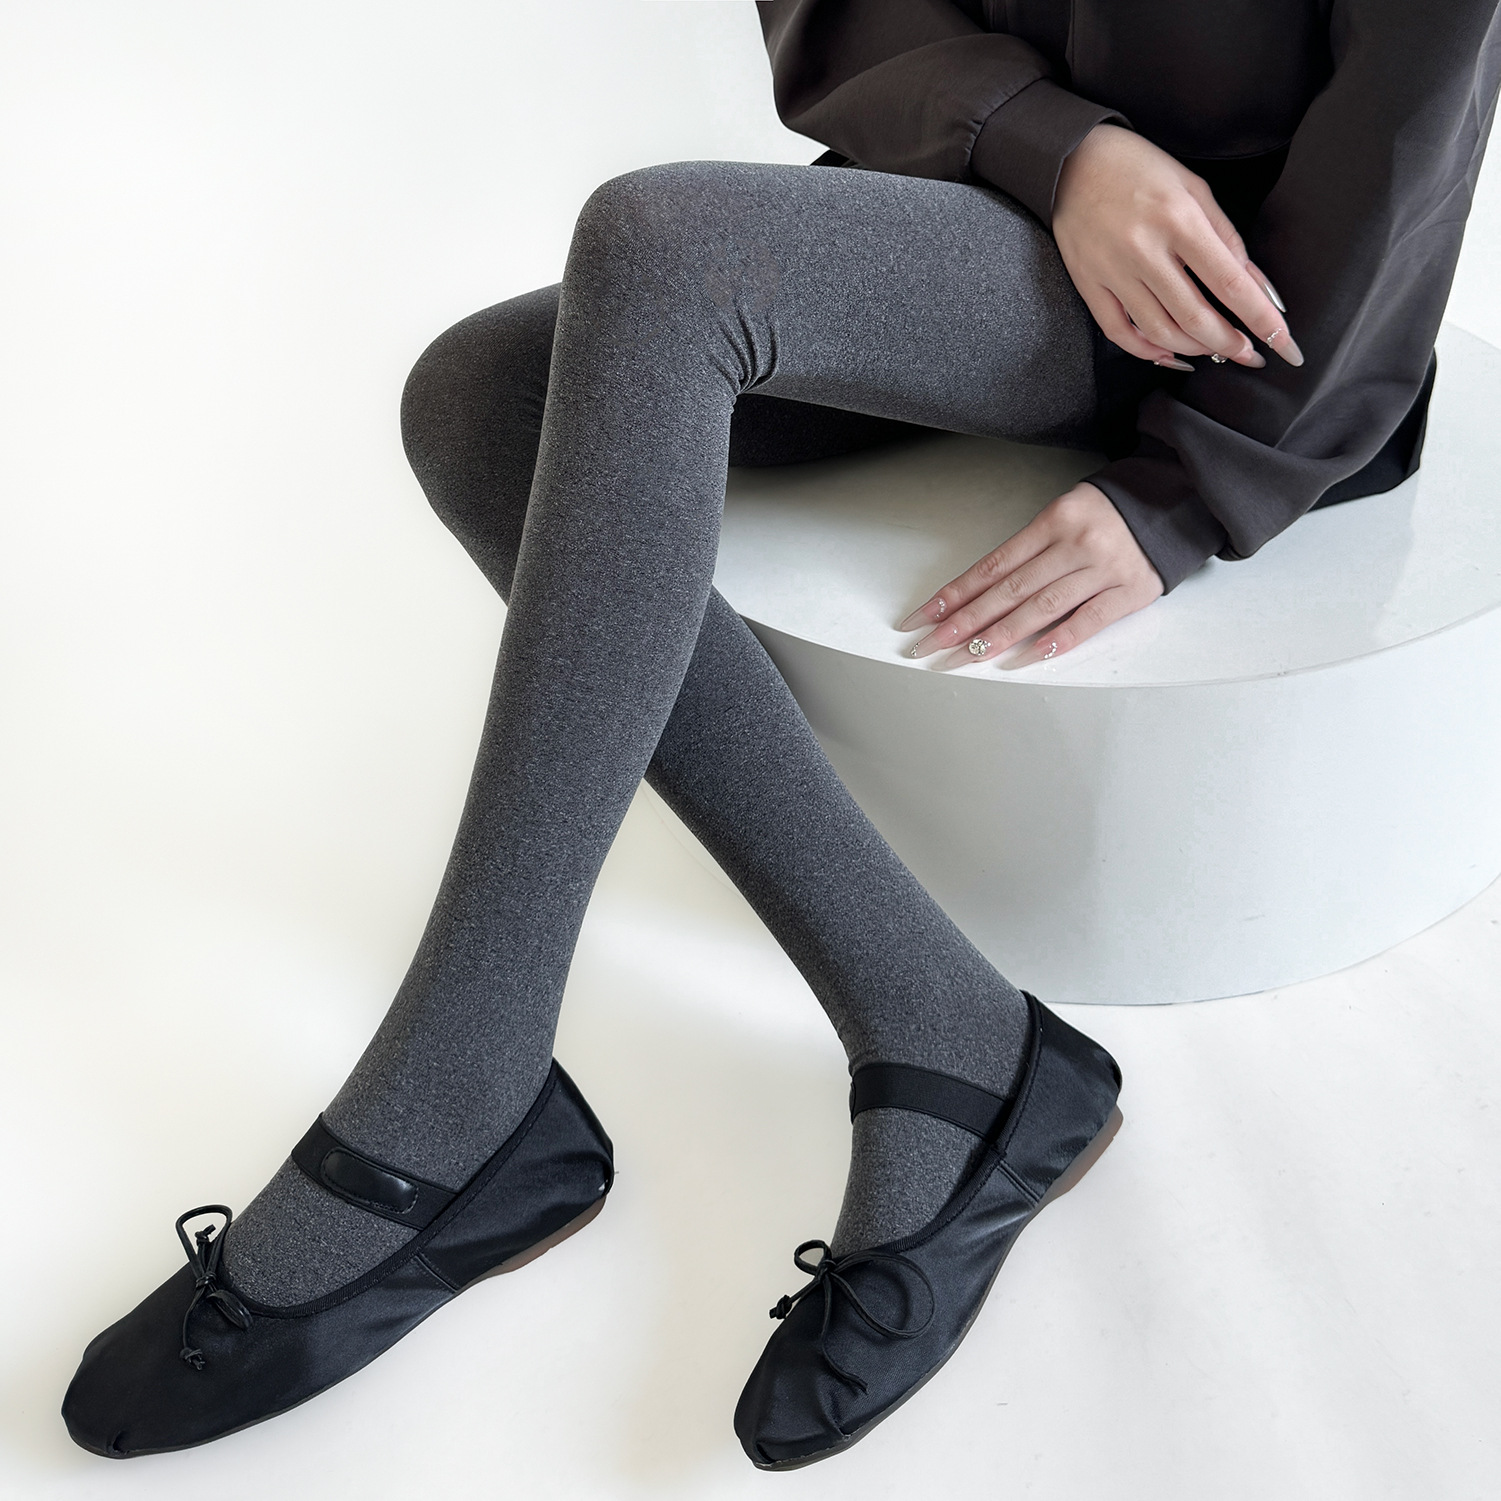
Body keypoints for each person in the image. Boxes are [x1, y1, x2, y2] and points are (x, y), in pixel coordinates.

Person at [62, 0, 1499, 1471]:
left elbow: (1409, 133)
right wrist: (1058, 151)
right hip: (990, 197)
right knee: (479, 396)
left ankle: (452, 1095)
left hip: (1237, 303)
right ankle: (953, 1041)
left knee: (665, 244)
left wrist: (1195, 488)